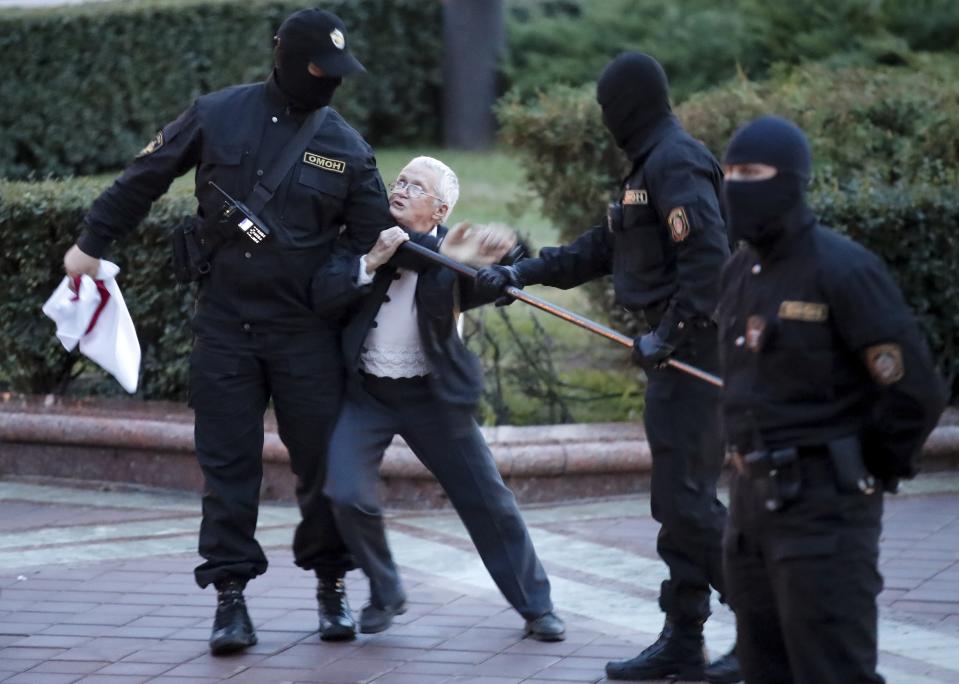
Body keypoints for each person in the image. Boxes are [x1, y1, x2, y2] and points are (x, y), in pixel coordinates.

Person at [61, 9, 493, 655]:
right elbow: (143, 178)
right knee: (228, 468)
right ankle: (230, 599)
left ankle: (331, 584)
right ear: (285, 56)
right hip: (225, 327)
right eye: (320, 68)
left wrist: (481, 268)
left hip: (305, 336)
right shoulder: (217, 113)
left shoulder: (346, 148)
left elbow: (382, 244)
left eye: (338, 73)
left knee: (319, 470)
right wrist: (91, 243)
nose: (329, 82)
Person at [476, 53, 739, 681]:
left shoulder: (675, 160)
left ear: (629, 105)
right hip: (675, 355)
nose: (604, 120)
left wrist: (670, 335)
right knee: (676, 505)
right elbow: (604, 245)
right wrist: (522, 272)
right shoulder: (648, 166)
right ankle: (683, 638)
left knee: (690, 505)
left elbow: (709, 263)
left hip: (698, 353)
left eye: (606, 108)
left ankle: (768, 620)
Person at [716, 115, 947, 684]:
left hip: (823, 515)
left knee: (831, 671)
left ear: (790, 180)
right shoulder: (742, 270)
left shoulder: (842, 269)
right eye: (729, 172)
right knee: (763, 669)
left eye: (752, 172)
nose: (735, 186)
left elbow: (916, 391)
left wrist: (866, 466)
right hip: (750, 512)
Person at [314, 156, 566, 641]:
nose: (402, 190)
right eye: (400, 180)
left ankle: (537, 607)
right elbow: (323, 293)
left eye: (417, 187)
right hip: (368, 392)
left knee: (489, 501)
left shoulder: (451, 252)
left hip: (432, 395)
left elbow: (501, 273)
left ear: (440, 207)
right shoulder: (365, 235)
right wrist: (370, 262)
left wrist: (504, 254)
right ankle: (386, 589)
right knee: (346, 493)